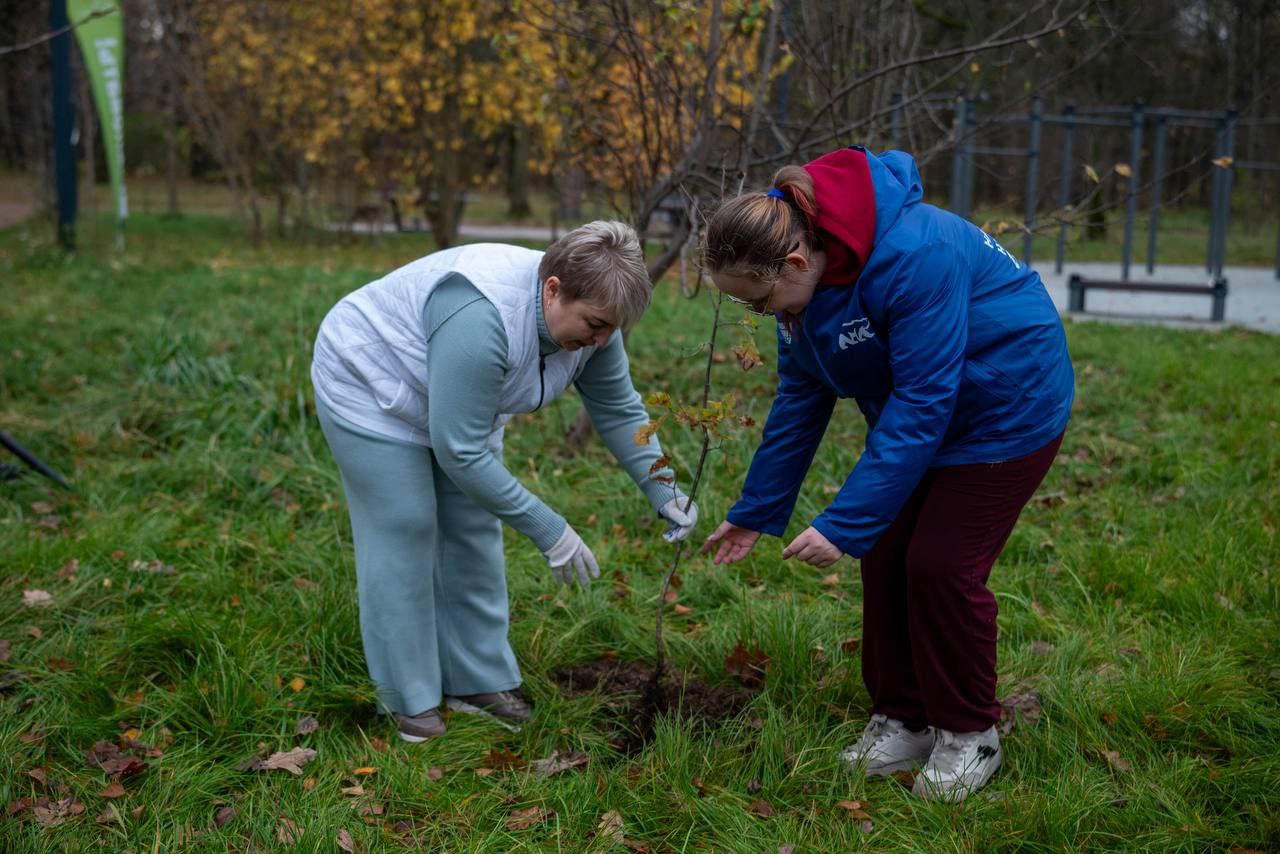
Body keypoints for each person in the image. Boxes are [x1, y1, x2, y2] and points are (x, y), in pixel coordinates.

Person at [699, 146, 1073, 802]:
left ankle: (968, 732)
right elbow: (801, 397)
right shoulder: (802, 291)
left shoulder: (915, 255)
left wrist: (844, 522)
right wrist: (758, 509)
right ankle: (903, 717)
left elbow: (928, 400)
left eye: (760, 302)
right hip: (924, 411)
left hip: (1006, 407)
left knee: (941, 566)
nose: (767, 318)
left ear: (791, 263)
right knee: (887, 555)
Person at [311, 221, 698, 743]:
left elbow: (619, 408)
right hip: (371, 379)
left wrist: (665, 488)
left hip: (462, 401)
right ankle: (410, 699)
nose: (603, 340)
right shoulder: (481, 317)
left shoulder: (596, 324)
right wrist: (551, 529)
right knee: (405, 524)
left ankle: (475, 681)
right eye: (595, 324)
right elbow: (460, 451)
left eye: (612, 329)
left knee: (472, 526)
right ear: (553, 289)